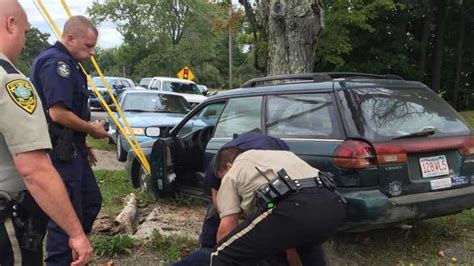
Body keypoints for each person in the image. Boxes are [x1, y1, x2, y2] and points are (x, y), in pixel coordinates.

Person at [0, 1, 92, 265]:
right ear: (10, 24)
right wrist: (75, 234)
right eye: (26, 33)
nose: (25, 43)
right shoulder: (10, 82)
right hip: (6, 226)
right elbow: (34, 170)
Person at [29, 15, 109, 265]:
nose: (92, 52)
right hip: (57, 154)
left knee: (90, 201)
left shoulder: (71, 64)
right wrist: (91, 129)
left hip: (70, 148)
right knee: (65, 215)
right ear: (70, 38)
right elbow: (58, 113)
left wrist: (82, 142)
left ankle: (74, 253)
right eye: (88, 46)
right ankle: (60, 259)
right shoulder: (57, 64)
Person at [210, 148, 346, 265]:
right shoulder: (282, 155)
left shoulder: (233, 171)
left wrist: (226, 249)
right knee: (306, 251)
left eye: (221, 177)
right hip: (333, 204)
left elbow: (227, 227)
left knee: (222, 256)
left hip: (292, 207)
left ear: (228, 166)